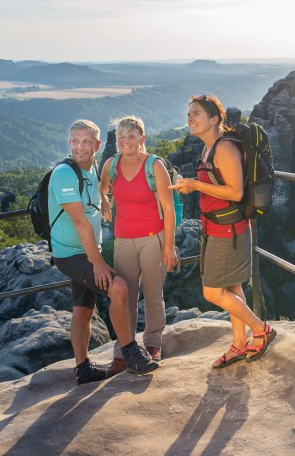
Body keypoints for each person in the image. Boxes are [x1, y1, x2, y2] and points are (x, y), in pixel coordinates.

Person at [49, 119, 159, 385]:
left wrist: (105, 198)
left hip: (85, 250)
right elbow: (80, 221)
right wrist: (97, 262)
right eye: (75, 141)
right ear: (69, 142)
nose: (79, 147)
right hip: (72, 254)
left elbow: (94, 191)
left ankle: (83, 368)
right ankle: (131, 353)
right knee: (118, 288)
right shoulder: (64, 174)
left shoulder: (92, 167)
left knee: (83, 308)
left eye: (86, 142)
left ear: (98, 145)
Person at [169, 94, 276, 368]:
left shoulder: (224, 148)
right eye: (189, 113)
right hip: (216, 226)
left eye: (196, 114)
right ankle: (239, 344)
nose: (189, 119)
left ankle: (261, 330)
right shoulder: (208, 148)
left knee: (212, 292)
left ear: (214, 119)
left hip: (228, 230)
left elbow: (236, 191)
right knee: (232, 287)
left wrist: (196, 186)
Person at [100, 115, 178, 376]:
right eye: (121, 137)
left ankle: (153, 344)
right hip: (123, 239)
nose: (126, 141)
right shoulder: (111, 165)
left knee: (153, 293)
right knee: (125, 297)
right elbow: (102, 188)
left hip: (151, 238)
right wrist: (105, 201)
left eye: (131, 136)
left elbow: (168, 209)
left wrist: (169, 246)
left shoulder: (154, 165)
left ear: (142, 139)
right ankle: (125, 350)